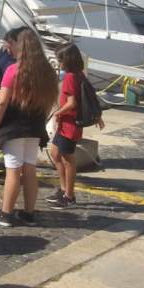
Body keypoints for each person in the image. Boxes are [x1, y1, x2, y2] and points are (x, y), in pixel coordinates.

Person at [0, 29, 57, 228]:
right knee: (30, 169)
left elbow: (2, 102)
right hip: (35, 126)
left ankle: (6, 213)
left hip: (14, 127)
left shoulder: (13, 70)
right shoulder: (46, 71)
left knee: (13, 170)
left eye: (10, 44)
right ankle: (28, 213)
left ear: (19, 45)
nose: (8, 49)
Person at [47, 44, 104, 210]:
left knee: (68, 160)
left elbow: (72, 103)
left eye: (60, 59)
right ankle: (63, 188)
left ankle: (69, 195)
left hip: (69, 124)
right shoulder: (80, 75)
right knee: (55, 153)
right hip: (67, 124)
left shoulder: (71, 77)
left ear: (67, 60)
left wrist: (58, 113)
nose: (58, 63)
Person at [0, 27, 26, 177]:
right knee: (0, 135)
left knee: (4, 130)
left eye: (8, 46)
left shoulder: (18, 63)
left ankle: (10, 167)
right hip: (2, 93)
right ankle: (1, 161)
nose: (6, 49)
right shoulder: (3, 52)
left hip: (12, 99)